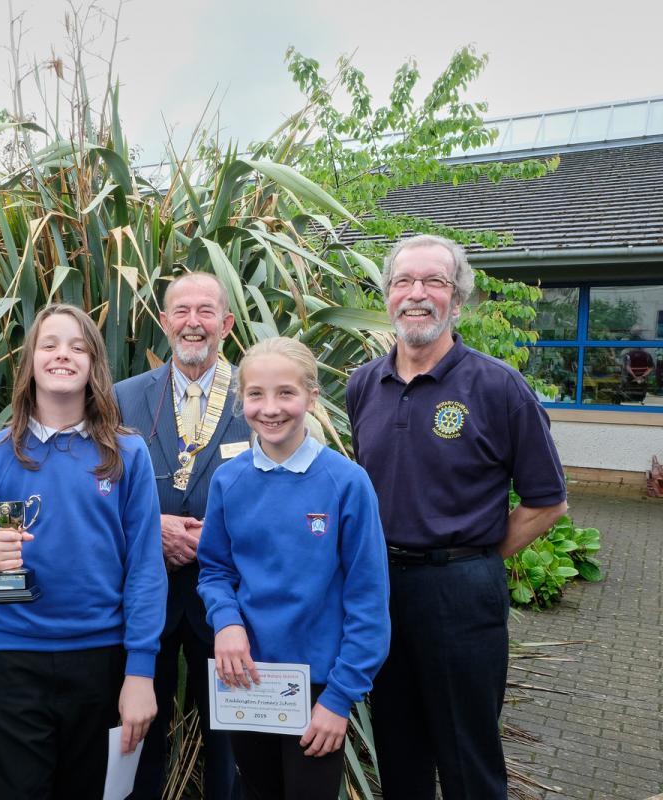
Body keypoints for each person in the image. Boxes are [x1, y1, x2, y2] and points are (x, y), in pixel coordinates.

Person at [346, 234, 568, 799]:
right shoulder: (364, 384)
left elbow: (548, 501)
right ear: (388, 296)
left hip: (461, 595)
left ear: (457, 299)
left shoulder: (499, 386)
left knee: (469, 758)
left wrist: (477, 559)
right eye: (403, 282)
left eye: (434, 282)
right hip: (382, 589)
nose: (416, 295)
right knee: (398, 753)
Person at [0, 303, 167, 798]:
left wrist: (140, 671)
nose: (62, 355)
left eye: (77, 346)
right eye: (49, 345)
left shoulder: (127, 454)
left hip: (101, 657)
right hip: (14, 659)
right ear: (29, 362)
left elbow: (145, 571)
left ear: (94, 363)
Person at [197, 337, 390, 800]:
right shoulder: (229, 479)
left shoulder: (346, 483)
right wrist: (226, 625)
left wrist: (340, 698)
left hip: (318, 689)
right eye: (256, 395)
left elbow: (368, 601)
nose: (270, 408)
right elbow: (215, 571)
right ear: (240, 399)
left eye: (286, 393)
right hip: (246, 681)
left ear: (311, 397)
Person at [112, 272, 251, 799]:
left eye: (206, 312)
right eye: (182, 312)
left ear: (227, 324)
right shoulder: (123, 398)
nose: (194, 323)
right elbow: (99, 492)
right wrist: (154, 532)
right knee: (137, 733)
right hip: (147, 595)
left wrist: (212, 538)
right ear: (165, 322)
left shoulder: (256, 394)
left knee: (232, 743)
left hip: (231, 601)